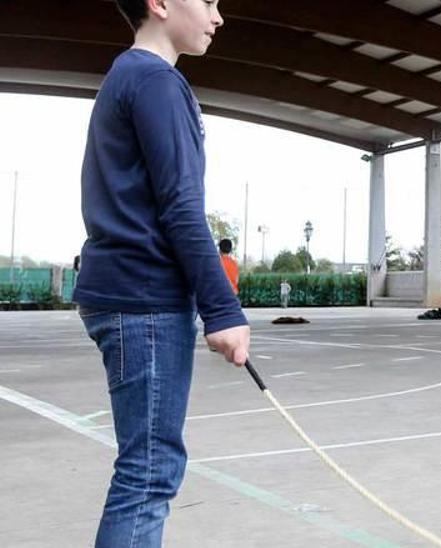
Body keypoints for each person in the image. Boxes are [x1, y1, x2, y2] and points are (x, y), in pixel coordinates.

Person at [73, 1, 249, 545]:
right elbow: (180, 206)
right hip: (143, 299)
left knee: (147, 467)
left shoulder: (127, 77)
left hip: (123, 292)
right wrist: (223, 309)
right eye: (209, 1)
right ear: (160, 3)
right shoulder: (155, 81)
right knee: (149, 473)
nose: (218, 16)